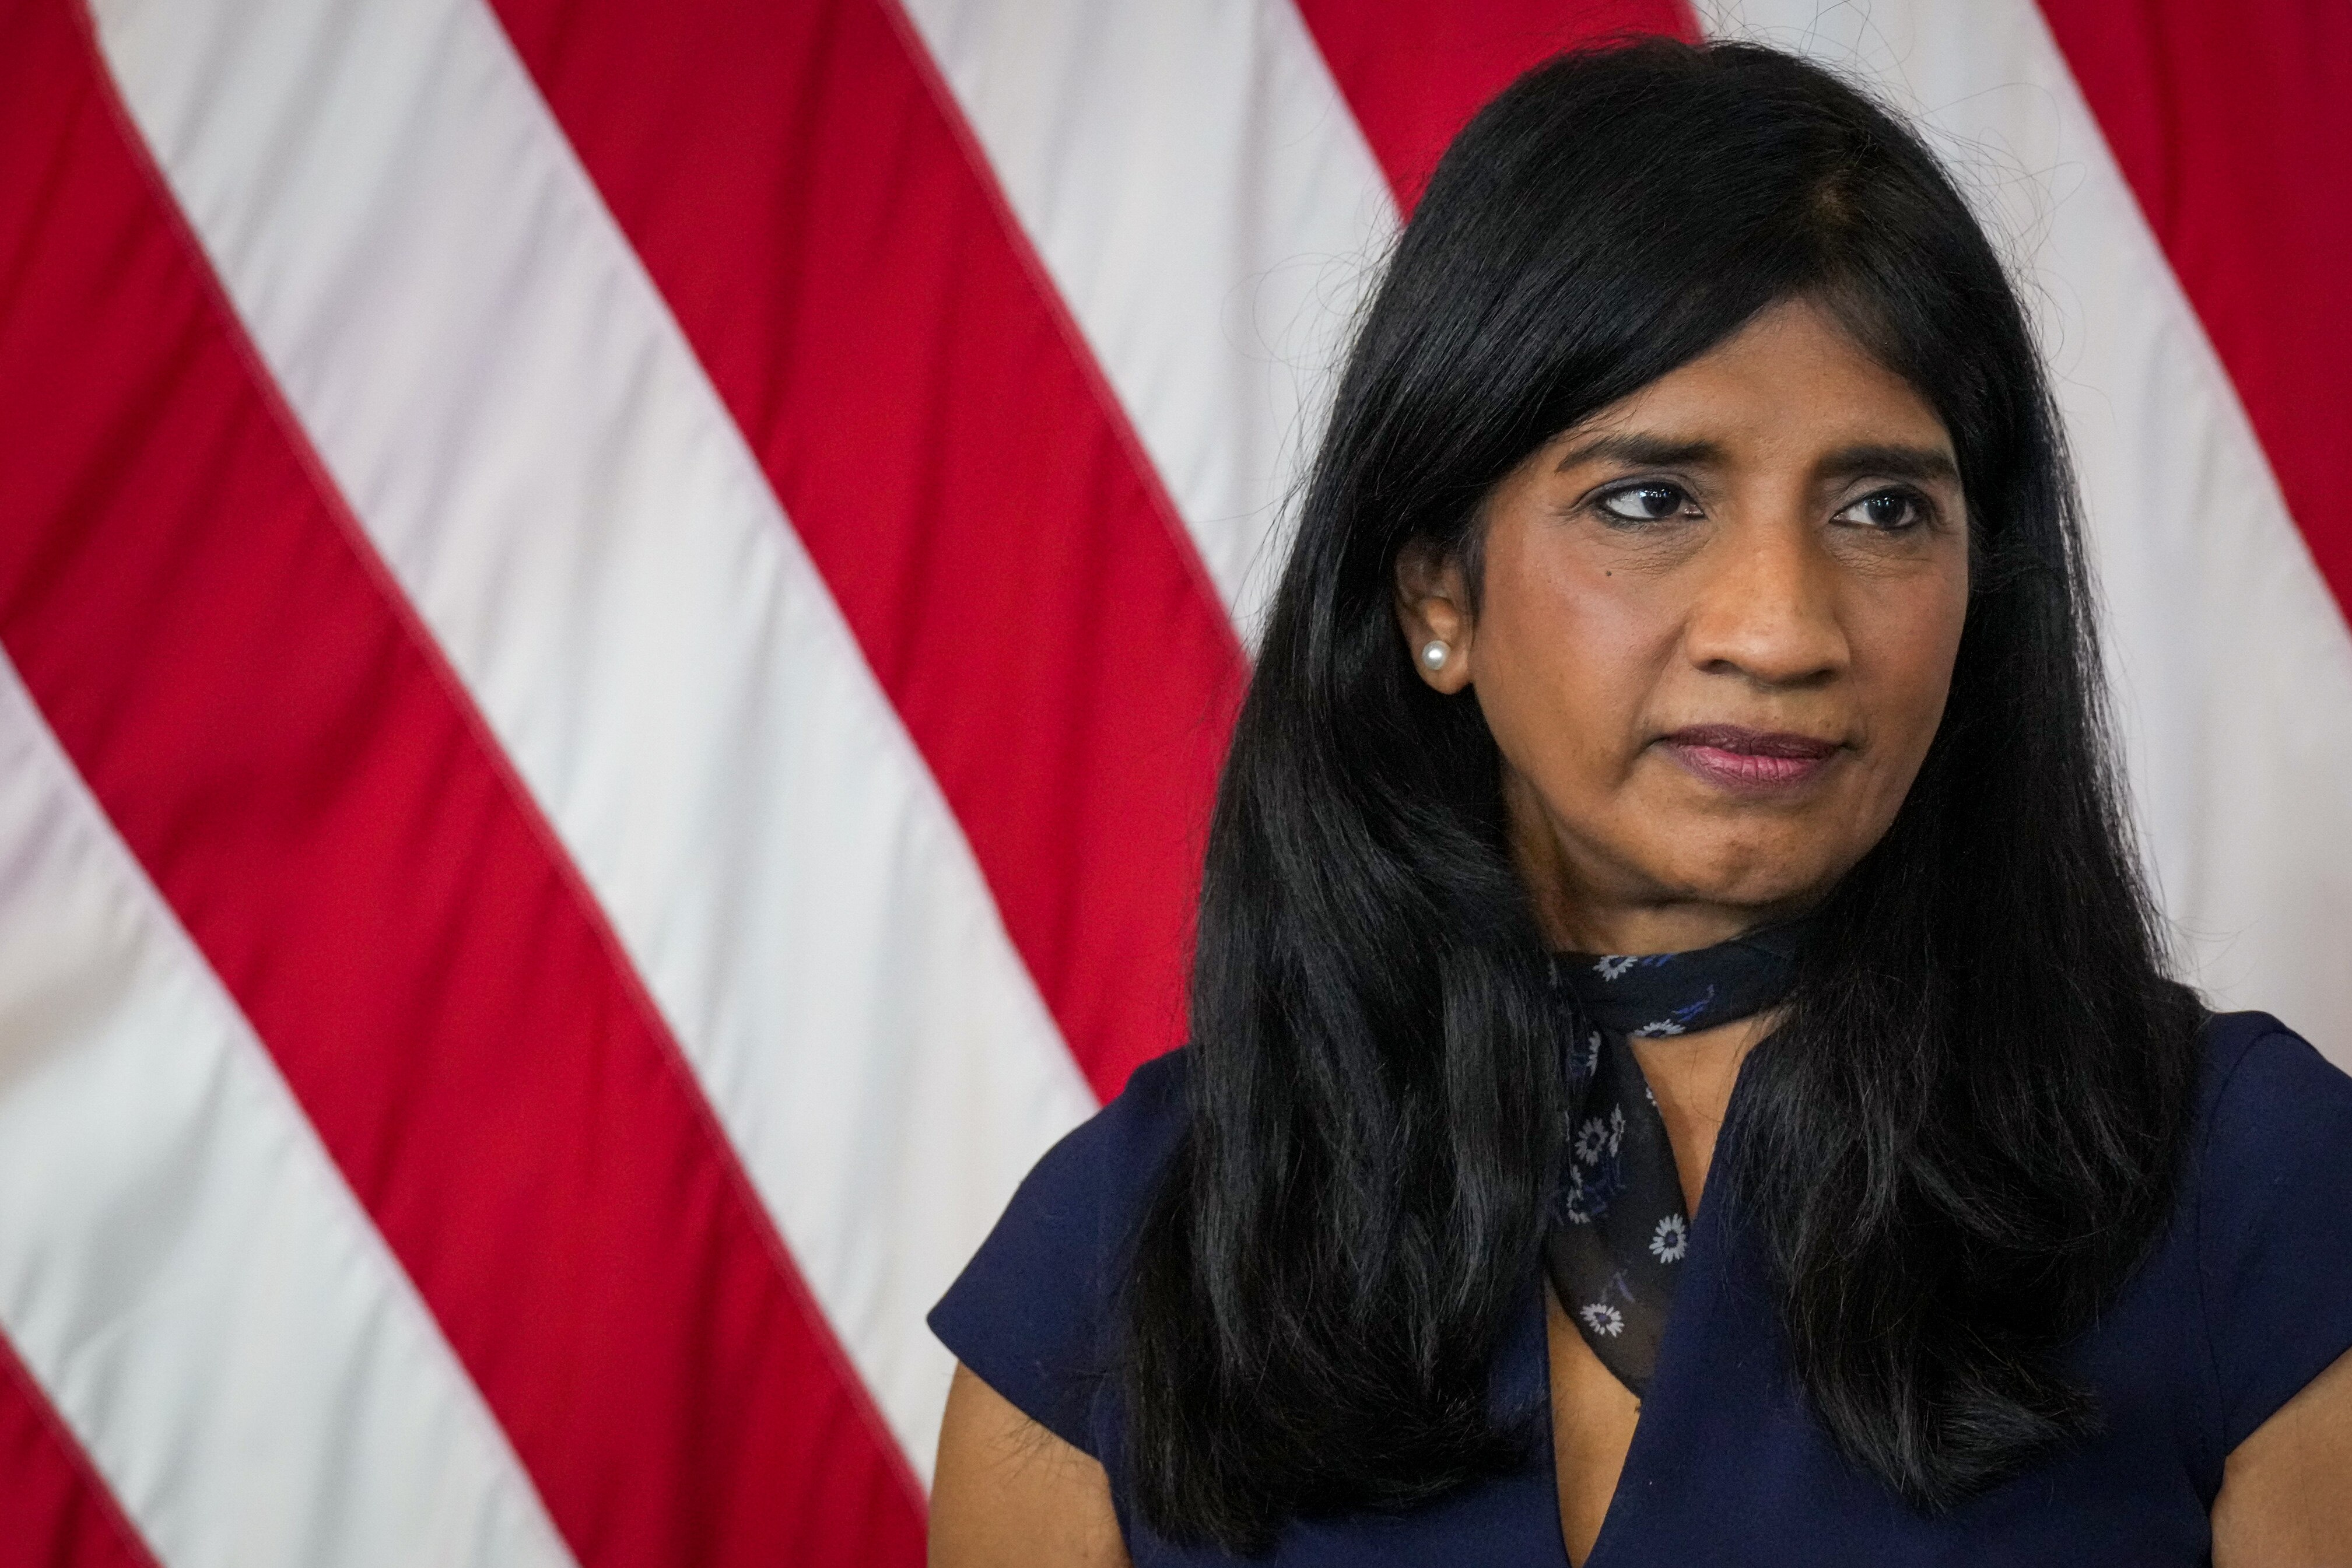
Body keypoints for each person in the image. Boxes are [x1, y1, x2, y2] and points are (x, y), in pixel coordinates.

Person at [925, 38, 2352, 1567]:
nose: (1782, 626)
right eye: (1646, 499)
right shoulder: (1111, 1263)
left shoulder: (2250, 1190)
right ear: (1434, 596)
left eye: (1883, 509)